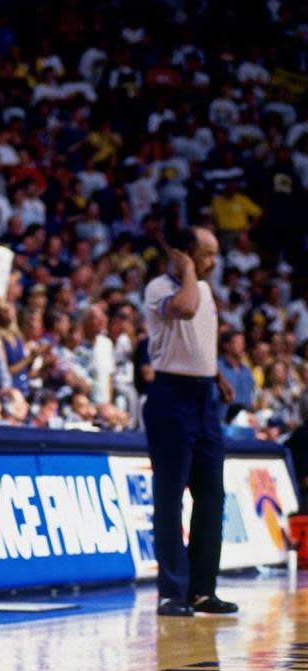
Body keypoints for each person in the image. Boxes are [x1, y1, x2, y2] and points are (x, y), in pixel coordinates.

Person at [142, 227, 238, 618]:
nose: (213, 262)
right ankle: (172, 592)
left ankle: (202, 589)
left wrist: (216, 374)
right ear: (184, 254)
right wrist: (187, 272)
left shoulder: (204, 289)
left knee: (211, 495)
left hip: (203, 398)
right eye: (206, 254)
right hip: (171, 397)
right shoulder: (160, 288)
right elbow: (184, 309)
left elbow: (197, 341)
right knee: (170, 497)